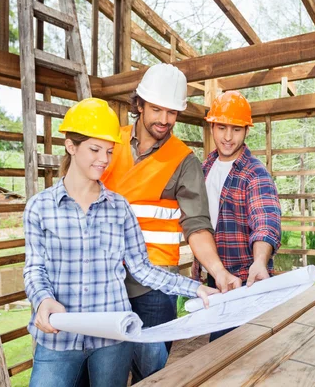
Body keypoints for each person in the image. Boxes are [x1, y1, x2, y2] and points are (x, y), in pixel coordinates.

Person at [23, 98, 217, 387]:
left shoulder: (120, 208)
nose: (103, 159)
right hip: (59, 338)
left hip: (112, 339)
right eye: (94, 149)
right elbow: (35, 270)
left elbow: (143, 269)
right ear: (71, 145)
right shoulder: (40, 207)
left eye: (110, 151)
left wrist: (196, 289)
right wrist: (43, 300)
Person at [100, 63, 241, 382]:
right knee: (101, 371)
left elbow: (197, 226)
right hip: (103, 282)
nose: (164, 119)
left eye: (172, 112)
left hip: (155, 285)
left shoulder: (184, 160)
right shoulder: (109, 143)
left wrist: (218, 272)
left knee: (152, 376)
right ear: (138, 104)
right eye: (156, 109)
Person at [201, 91, 282, 341]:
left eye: (236, 129)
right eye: (222, 127)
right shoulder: (204, 168)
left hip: (245, 284)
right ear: (212, 126)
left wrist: (259, 261)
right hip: (215, 280)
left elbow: (265, 220)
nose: (227, 137)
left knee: (236, 354)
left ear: (246, 130)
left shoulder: (254, 173)